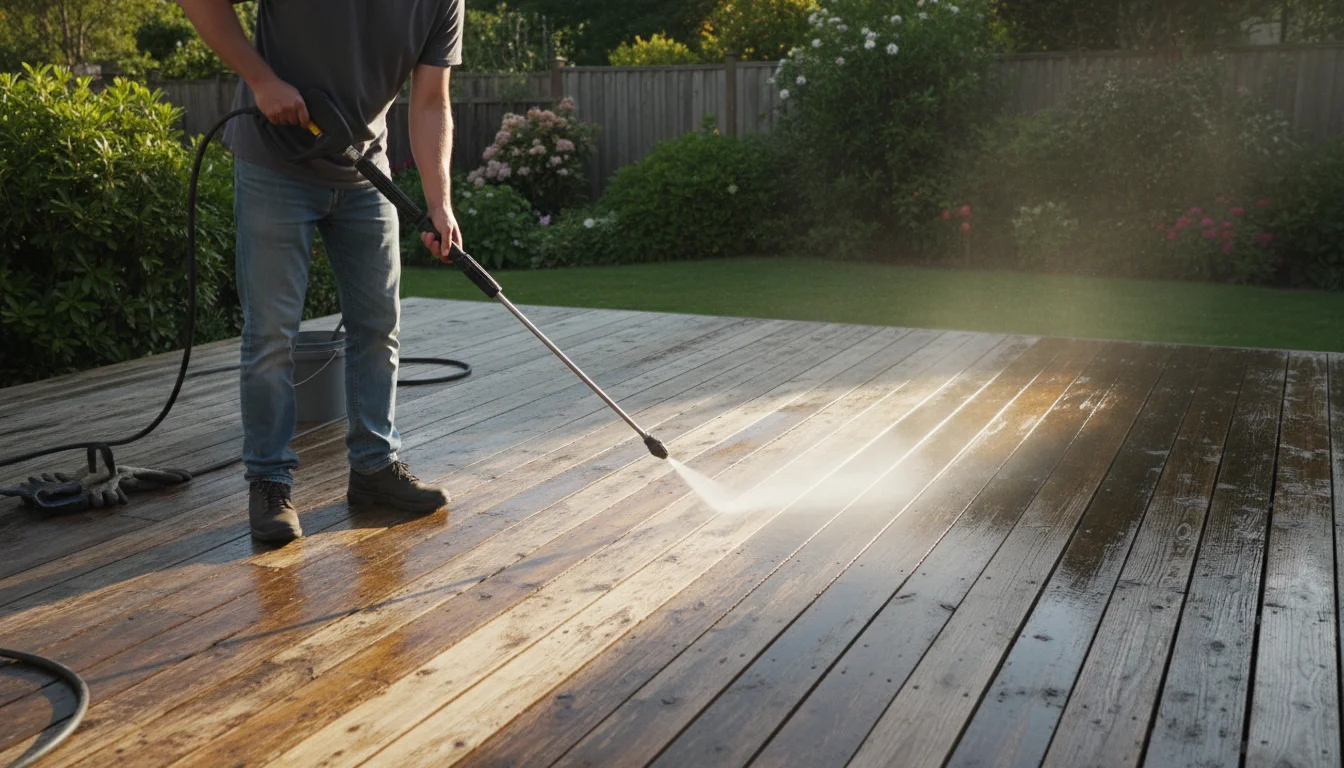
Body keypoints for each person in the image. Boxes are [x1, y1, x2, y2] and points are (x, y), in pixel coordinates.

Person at [178, 0, 464, 543]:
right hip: (274, 165)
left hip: (362, 166)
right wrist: (261, 80)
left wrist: (439, 202)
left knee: (378, 326)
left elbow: (431, 102)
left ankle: (375, 469)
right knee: (271, 334)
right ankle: (269, 482)